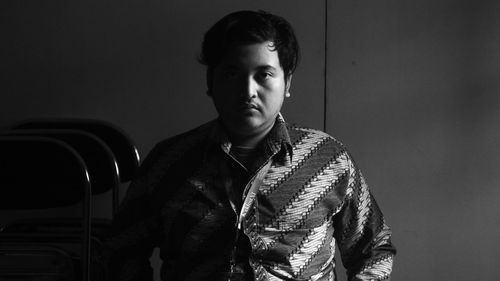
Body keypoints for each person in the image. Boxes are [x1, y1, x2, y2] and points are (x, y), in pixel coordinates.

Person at [105, 10, 396, 281]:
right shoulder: (168, 162)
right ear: (211, 81)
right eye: (232, 74)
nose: (247, 91)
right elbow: (122, 250)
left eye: (264, 74)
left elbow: (374, 250)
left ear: (287, 81)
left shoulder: (328, 159)